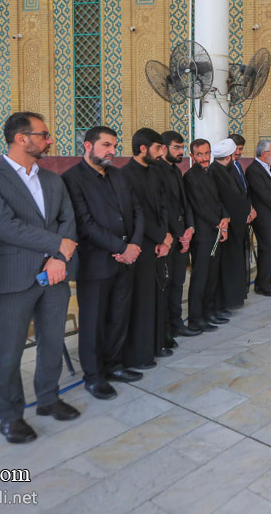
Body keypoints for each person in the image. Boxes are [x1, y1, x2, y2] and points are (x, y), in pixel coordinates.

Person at [0, 111, 80, 445]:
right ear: (21, 138)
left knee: (52, 341)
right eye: (44, 135)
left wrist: (57, 259)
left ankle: (48, 398)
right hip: (12, 276)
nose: (50, 140)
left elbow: (68, 220)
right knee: (9, 352)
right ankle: (11, 416)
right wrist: (56, 246)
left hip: (54, 275)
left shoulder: (53, 180)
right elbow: (5, 227)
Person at [61, 126, 145, 401]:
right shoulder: (72, 179)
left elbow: (137, 210)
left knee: (119, 315)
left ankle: (114, 365)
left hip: (125, 260)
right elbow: (85, 224)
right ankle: (94, 376)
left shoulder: (118, 175)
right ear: (88, 146)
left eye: (114, 145)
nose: (112, 151)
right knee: (93, 322)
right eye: (107, 145)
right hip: (95, 263)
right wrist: (121, 248)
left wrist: (134, 245)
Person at [120, 128, 173, 369]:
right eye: (157, 148)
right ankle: (140, 354)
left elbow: (163, 206)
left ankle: (157, 343)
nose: (161, 153)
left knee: (158, 295)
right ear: (143, 148)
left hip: (160, 244)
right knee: (142, 300)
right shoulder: (125, 175)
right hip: (141, 245)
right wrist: (160, 236)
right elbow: (136, 213)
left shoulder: (155, 172)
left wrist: (166, 237)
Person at [184, 138, 231, 328]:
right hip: (203, 235)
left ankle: (209, 312)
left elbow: (219, 200)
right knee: (200, 277)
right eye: (199, 154)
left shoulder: (211, 173)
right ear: (192, 156)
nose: (204, 158)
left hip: (216, 231)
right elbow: (199, 206)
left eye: (206, 153)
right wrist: (218, 223)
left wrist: (225, 218)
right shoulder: (190, 177)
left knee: (212, 276)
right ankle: (196, 319)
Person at [158, 130, 200, 338]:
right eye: (176, 147)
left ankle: (176, 324)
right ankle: (164, 330)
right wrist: (178, 233)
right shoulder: (156, 171)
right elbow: (163, 208)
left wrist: (190, 228)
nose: (181, 151)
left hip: (182, 235)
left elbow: (185, 204)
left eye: (182, 147)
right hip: (167, 237)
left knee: (178, 283)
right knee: (165, 286)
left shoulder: (176, 171)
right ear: (163, 148)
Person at [210, 138, 254, 311]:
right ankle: (225, 302)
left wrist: (247, 210)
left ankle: (234, 298)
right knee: (227, 265)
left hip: (237, 225)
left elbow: (240, 193)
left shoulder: (226, 170)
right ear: (228, 157)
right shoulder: (216, 171)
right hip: (227, 226)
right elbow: (223, 199)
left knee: (235, 262)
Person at [247, 140, 271, 296]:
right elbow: (263, 193)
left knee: (270, 250)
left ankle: (266, 279)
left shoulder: (267, 168)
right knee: (267, 249)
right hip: (264, 217)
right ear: (264, 153)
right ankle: (262, 285)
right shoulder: (253, 169)